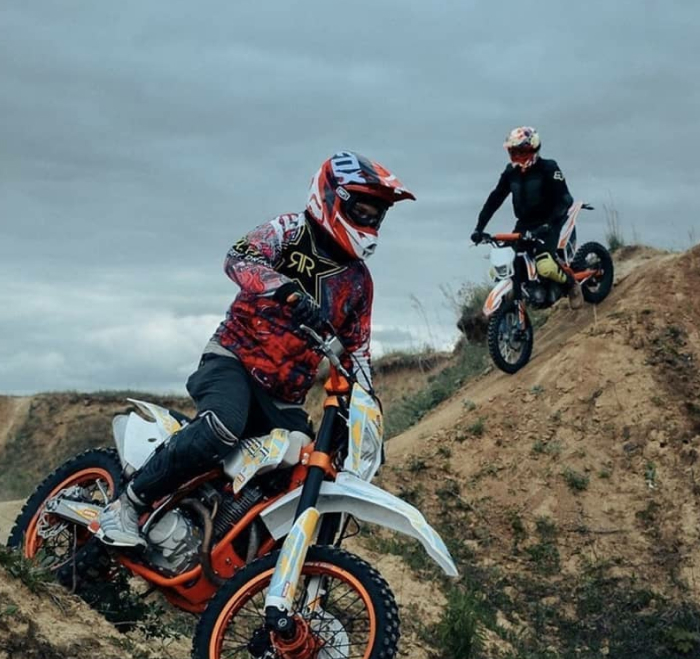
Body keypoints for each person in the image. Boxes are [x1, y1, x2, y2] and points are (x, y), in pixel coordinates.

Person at [96, 151, 415, 548]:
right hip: (233, 359)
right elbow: (238, 258)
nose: (369, 220)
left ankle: (234, 551)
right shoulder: (289, 231)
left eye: (376, 214)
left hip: (283, 397)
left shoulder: (359, 283)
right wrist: (282, 287)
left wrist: (368, 418)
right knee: (222, 426)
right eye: (362, 210)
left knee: (303, 470)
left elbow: (358, 351)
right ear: (332, 197)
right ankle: (127, 504)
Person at [470, 126, 583, 309]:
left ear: (533, 149)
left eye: (520, 152)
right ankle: (518, 296)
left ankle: (571, 285)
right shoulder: (511, 172)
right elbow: (495, 199)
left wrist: (549, 225)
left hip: (550, 222)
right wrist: (479, 228)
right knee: (505, 263)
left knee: (545, 266)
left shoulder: (548, 168)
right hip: (524, 224)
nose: (516, 156)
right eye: (513, 152)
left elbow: (565, 199)